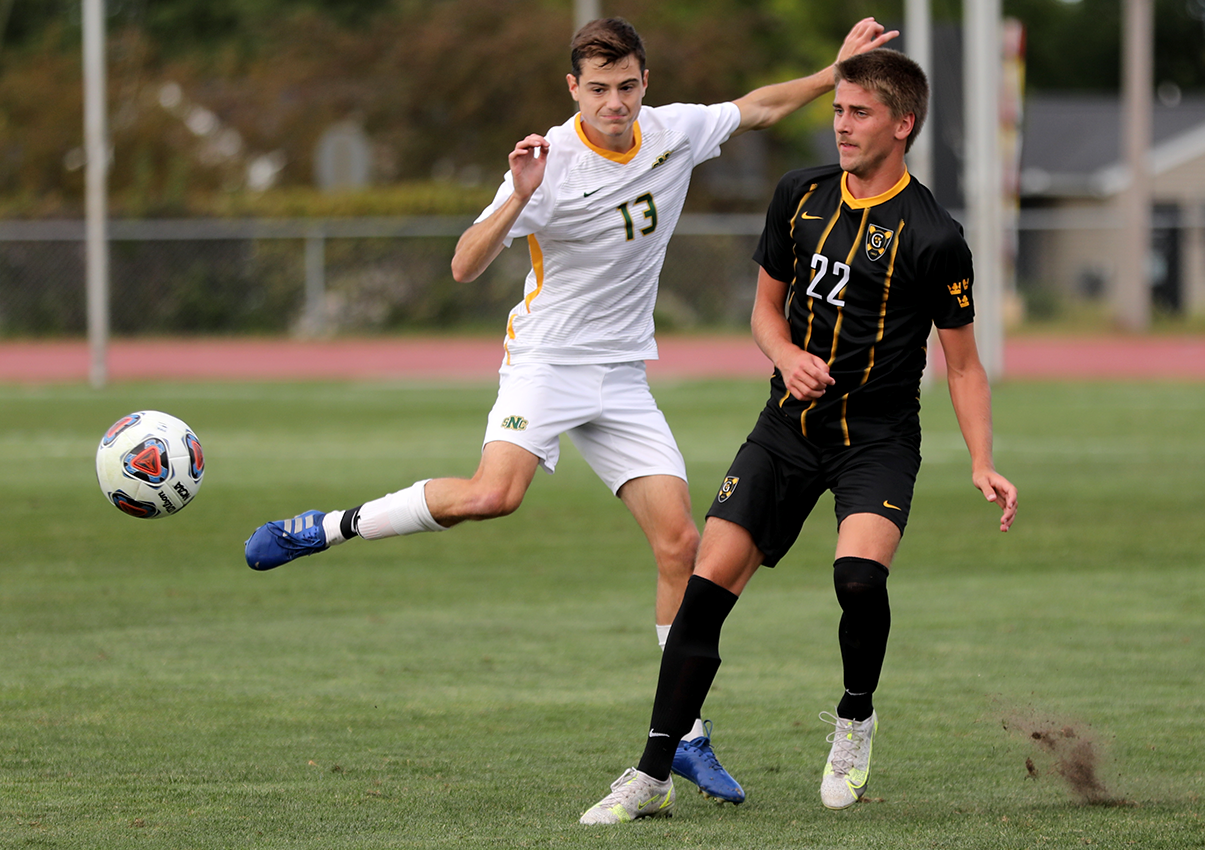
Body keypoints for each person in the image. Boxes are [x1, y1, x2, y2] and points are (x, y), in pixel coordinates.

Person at [243, 15, 899, 806]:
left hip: (620, 376)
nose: (613, 103)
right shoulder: (546, 163)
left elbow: (758, 106)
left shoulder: (673, 131)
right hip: (547, 365)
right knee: (494, 496)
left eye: (626, 87)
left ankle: (685, 740)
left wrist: (834, 74)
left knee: (681, 541)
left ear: (644, 82)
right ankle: (329, 526)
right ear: (572, 89)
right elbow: (462, 264)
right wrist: (516, 197)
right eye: (597, 90)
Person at [579, 47, 1018, 825]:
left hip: (876, 439)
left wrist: (983, 461)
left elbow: (963, 367)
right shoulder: (799, 195)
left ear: (902, 123)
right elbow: (764, 313)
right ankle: (649, 775)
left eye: (859, 113)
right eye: (838, 110)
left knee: (858, 580)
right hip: (785, 430)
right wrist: (784, 355)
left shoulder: (935, 237)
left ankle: (854, 721)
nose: (841, 125)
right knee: (703, 597)